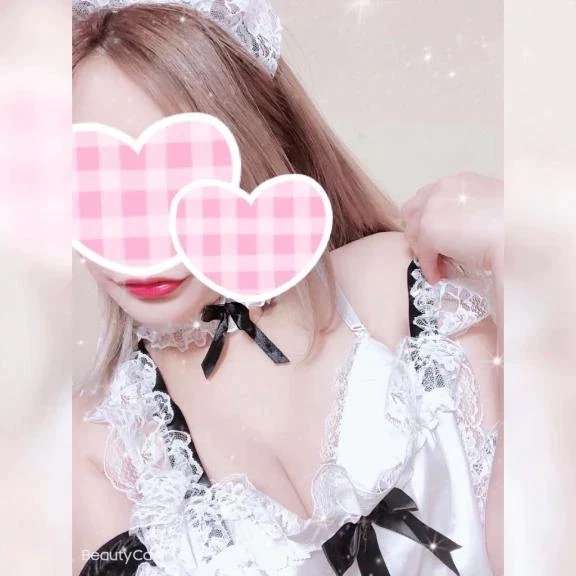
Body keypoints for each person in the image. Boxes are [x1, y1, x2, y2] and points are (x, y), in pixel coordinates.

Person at [72, 1, 503, 575]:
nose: (141, 245)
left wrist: (525, 251)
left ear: (249, 141)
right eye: (96, 189)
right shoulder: (102, 452)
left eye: (180, 178)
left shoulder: (411, 292)